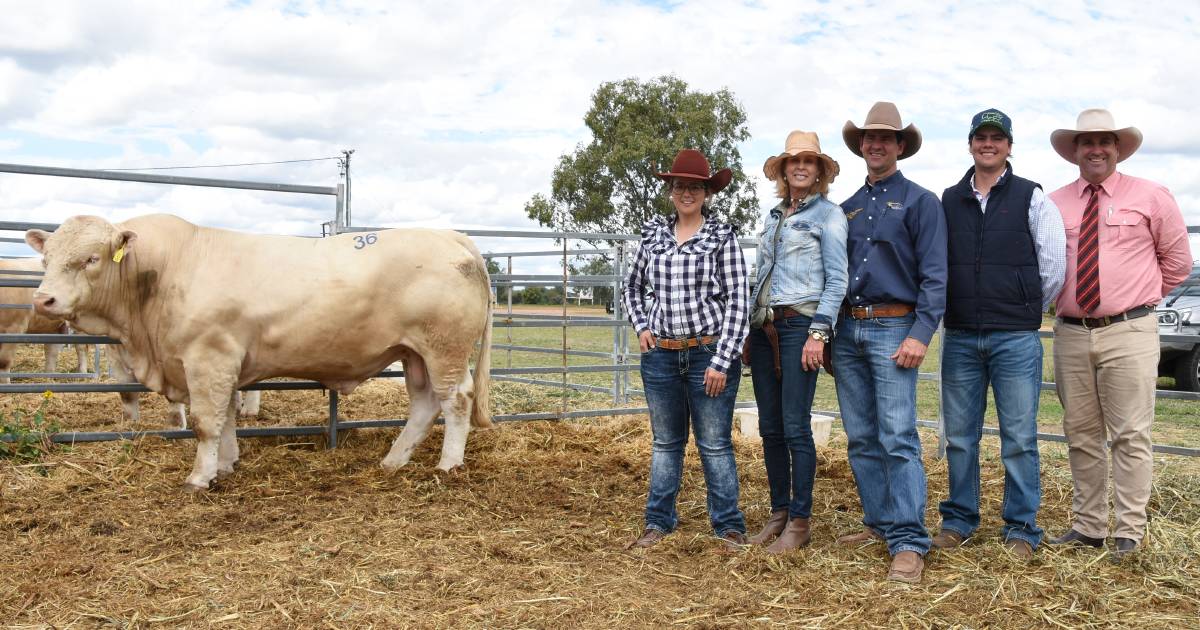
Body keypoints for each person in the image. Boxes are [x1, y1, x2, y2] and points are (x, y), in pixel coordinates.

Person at [1046, 108, 1192, 560]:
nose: (1095, 149)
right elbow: (1047, 264)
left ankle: (1129, 529)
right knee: (1081, 432)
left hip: (1129, 329)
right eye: (1086, 142)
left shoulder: (1152, 197)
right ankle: (1088, 527)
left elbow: (1178, 262)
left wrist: (1135, 298)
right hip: (1070, 332)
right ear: (1074, 151)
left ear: (1116, 148)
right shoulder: (1053, 203)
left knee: (1130, 432)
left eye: (1104, 141)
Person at [933, 108, 1066, 560]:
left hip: (1015, 337)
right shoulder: (948, 199)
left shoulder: (1032, 197)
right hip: (963, 335)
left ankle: (1022, 528)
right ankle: (959, 519)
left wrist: (1023, 304)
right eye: (980, 136)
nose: (988, 143)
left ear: (1009, 146)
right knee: (959, 436)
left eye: (997, 137)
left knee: (1019, 436)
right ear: (970, 144)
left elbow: (1053, 266)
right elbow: (936, 263)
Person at [832, 102, 946, 583]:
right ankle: (879, 522)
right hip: (849, 327)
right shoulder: (846, 207)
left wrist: (922, 332)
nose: (875, 144)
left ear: (900, 146)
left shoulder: (922, 202)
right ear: (861, 145)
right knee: (861, 436)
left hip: (895, 328)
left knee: (898, 436)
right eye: (868, 137)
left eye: (886, 137)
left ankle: (909, 540)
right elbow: (833, 275)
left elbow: (936, 275)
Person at [622, 148, 752, 552]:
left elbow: (739, 300)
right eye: (680, 186)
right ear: (670, 191)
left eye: (695, 187)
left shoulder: (721, 237)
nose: (687, 193)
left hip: (707, 354)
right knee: (665, 442)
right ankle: (658, 522)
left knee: (714, 442)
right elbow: (630, 287)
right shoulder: (652, 235)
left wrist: (722, 359)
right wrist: (641, 325)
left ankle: (728, 525)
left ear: (707, 192)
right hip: (661, 353)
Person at [744, 131, 848, 554]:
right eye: (793, 162)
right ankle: (779, 513)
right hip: (765, 327)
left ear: (820, 171)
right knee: (770, 427)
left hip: (800, 327)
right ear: (784, 171)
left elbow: (838, 279)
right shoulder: (773, 216)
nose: (800, 167)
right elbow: (760, 275)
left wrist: (819, 333)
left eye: (809, 161)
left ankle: (800, 521)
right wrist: (750, 325)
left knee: (794, 426)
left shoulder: (830, 216)